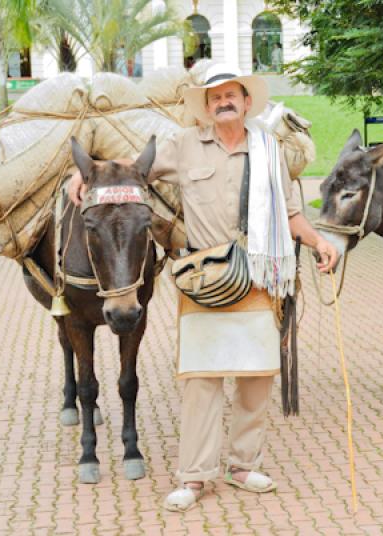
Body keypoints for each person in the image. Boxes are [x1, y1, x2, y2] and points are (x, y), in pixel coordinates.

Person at [67, 62, 338, 512]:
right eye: (215, 98)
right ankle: (194, 476)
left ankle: (243, 464)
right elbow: (132, 170)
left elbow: (292, 214)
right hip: (204, 279)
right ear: (207, 107)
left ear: (247, 103)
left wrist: (318, 241)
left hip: (257, 275)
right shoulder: (184, 146)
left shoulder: (270, 151)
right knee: (200, 381)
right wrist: (87, 174)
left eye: (231, 95)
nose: (223, 102)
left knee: (255, 378)